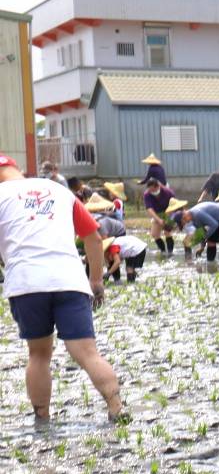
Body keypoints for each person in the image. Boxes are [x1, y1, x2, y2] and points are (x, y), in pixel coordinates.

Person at [0, 154, 126, 422]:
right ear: (17, 169)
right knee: (87, 352)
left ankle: (42, 418)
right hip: (69, 278)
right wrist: (96, 281)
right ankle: (117, 406)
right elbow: (92, 237)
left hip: (26, 283)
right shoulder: (59, 191)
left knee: (39, 354)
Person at [178, 196, 219, 262]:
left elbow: (214, 225)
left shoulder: (197, 213)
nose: (186, 223)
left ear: (185, 216)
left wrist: (205, 237)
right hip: (215, 220)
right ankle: (210, 265)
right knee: (211, 242)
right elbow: (203, 233)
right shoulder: (193, 220)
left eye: (184, 221)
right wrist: (202, 247)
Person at [141, 175, 176, 255]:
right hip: (157, 214)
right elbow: (149, 209)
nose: (151, 191)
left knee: (167, 232)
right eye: (149, 190)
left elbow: (174, 205)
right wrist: (158, 219)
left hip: (169, 212)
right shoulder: (147, 194)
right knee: (154, 234)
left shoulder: (168, 192)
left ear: (158, 187)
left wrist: (167, 217)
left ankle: (170, 252)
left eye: (153, 190)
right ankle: (163, 251)